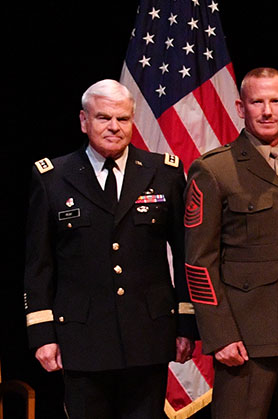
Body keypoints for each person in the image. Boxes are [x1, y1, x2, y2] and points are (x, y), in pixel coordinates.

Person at [23, 79, 195, 418]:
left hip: (149, 334)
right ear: (84, 122)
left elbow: (187, 253)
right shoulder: (53, 176)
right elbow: (37, 264)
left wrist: (186, 324)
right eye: (103, 118)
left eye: (123, 119)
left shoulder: (165, 172)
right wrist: (42, 334)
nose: (114, 127)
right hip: (82, 338)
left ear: (133, 121)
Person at [184, 67, 278, 418]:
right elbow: (199, 261)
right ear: (240, 107)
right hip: (247, 338)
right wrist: (219, 335)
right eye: (257, 102)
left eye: (276, 101)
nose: (267, 111)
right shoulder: (215, 169)